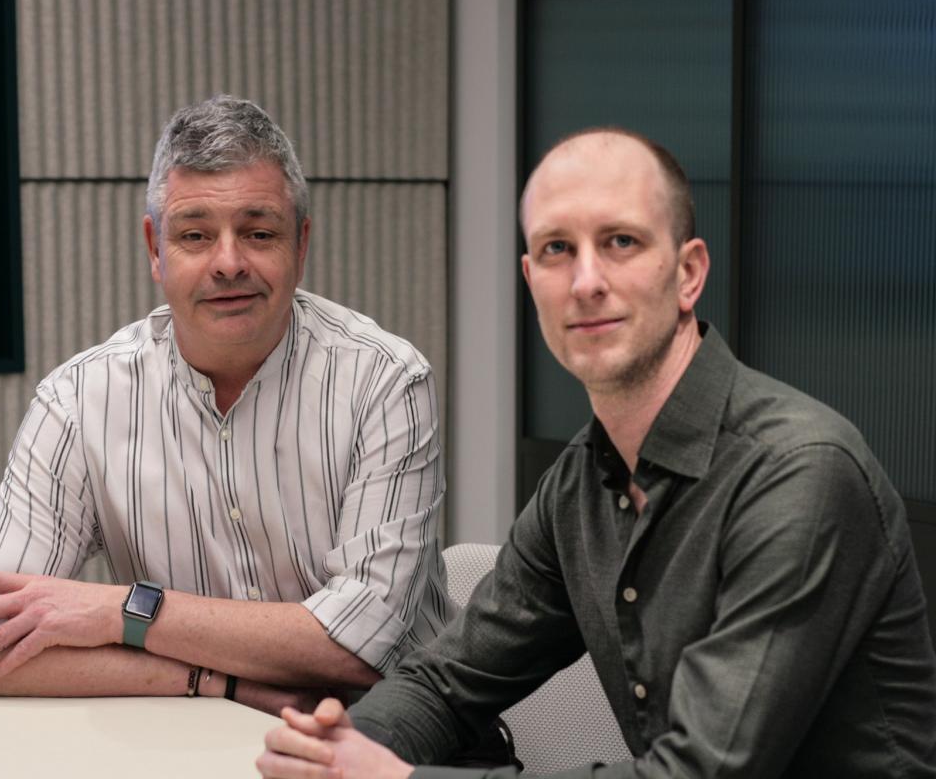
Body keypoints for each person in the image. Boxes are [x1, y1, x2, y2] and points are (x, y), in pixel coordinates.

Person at [256, 128, 936, 777]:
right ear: (532, 281)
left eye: (620, 242)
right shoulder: (582, 485)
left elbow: (704, 772)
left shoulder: (800, 473)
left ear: (688, 273)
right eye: (556, 249)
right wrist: (340, 752)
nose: (585, 281)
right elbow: (446, 681)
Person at [0, 95, 451, 714]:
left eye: (259, 233)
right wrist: (213, 684)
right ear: (156, 249)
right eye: (195, 235)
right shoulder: (78, 401)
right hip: (197, 746)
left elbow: (357, 643)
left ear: (302, 244)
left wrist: (124, 611)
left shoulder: (386, 382)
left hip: (401, 750)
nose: (229, 262)